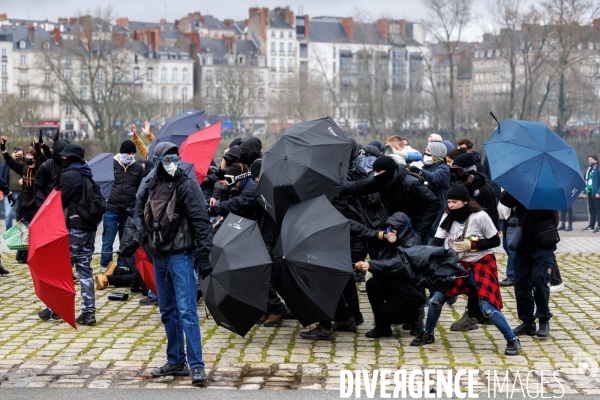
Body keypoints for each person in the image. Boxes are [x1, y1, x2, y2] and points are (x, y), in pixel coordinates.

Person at [120, 142, 213, 385]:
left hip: (181, 255)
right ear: (157, 160)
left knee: (187, 312)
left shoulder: (186, 185)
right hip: (158, 256)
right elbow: (142, 218)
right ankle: (175, 361)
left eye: (176, 158)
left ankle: (197, 366)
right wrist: (136, 241)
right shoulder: (149, 185)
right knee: (167, 311)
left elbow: (202, 223)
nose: (173, 163)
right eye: (168, 159)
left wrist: (204, 257)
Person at [412, 183, 521, 356]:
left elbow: (495, 241)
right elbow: (436, 241)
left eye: (454, 201)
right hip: (456, 265)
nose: (451, 205)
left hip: (481, 263)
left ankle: (512, 340)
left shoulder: (480, 216)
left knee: (488, 308)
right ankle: (428, 333)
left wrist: (473, 245)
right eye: (449, 201)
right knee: (435, 300)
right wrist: (425, 253)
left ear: (465, 202)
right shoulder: (447, 217)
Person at [38, 144, 99, 325]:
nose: (61, 159)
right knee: (84, 269)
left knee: (62, 269)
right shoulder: (87, 173)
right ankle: (88, 312)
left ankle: (56, 308)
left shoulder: (69, 176)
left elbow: (58, 201)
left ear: (71, 158)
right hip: (89, 229)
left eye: (64, 157)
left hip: (74, 229)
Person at [448, 152, 499, 331]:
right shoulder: (463, 188)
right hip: (465, 248)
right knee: (471, 283)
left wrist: (474, 243)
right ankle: (481, 313)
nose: (455, 175)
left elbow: (491, 230)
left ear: (468, 172)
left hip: (481, 248)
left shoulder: (483, 191)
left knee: (477, 283)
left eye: (459, 171)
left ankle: (473, 315)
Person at [354, 212, 425, 338]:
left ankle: (415, 316)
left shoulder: (413, 243)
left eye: (394, 228)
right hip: (393, 285)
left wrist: (370, 265)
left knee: (382, 314)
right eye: (389, 227)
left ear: (403, 229)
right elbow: (366, 233)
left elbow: (398, 264)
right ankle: (383, 328)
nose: (390, 231)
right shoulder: (388, 239)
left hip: (408, 291)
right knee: (372, 284)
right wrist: (348, 223)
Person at [500, 190, 557, 339]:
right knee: (521, 283)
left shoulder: (549, 188)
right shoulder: (522, 185)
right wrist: (513, 187)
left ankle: (544, 319)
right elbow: (505, 200)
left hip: (543, 241)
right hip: (523, 242)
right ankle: (527, 322)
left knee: (539, 280)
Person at [342, 156, 439, 243]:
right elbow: (361, 186)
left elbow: (433, 202)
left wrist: (420, 231)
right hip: (396, 224)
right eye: (375, 171)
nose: (376, 174)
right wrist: (338, 188)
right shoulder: (381, 180)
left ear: (389, 170)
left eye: (379, 172)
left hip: (415, 226)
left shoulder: (410, 183)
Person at [99, 140, 144, 274]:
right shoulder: (111, 165)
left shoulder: (137, 168)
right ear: (121, 152)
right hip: (111, 208)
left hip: (128, 209)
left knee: (125, 240)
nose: (130, 155)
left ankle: (122, 264)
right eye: (127, 153)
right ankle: (105, 264)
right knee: (108, 239)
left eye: (132, 153)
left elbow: (140, 187)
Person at [1, 136, 46, 263]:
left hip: (35, 203)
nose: (27, 158)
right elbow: (10, 162)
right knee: (22, 229)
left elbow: (44, 160)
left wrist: (38, 147)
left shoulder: (40, 169)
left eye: (30, 157)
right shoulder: (23, 168)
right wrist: (3, 148)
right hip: (23, 203)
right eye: (27, 156)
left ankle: (33, 254)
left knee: (33, 230)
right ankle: (21, 257)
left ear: (35, 159)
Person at [418, 141, 450, 241]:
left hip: (438, 210)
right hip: (425, 213)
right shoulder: (425, 168)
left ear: (436, 154)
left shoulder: (443, 168)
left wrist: (418, 171)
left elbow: (435, 178)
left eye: (428, 150)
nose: (425, 153)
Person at [34, 139, 69, 208]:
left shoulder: (69, 166)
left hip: (64, 206)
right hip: (48, 205)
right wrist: (45, 204)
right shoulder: (46, 166)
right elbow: (37, 187)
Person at [0, 146, 23, 231]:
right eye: (16, 155)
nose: (18, 157)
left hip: (22, 194)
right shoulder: (8, 165)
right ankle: (9, 233)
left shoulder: (25, 166)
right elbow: (1, 176)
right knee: (8, 214)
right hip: (9, 194)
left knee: (21, 216)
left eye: (20, 155)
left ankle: (21, 234)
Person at [583, 155, 599, 232]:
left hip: (596, 192)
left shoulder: (598, 169)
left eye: (592, 159)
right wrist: (584, 191)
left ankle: (599, 226)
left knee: (598, 210)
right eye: (589, 159)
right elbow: (585, 180)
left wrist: (598, 192)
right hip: (590, 192)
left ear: (596, 160)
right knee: (591, 209)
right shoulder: (588, 169)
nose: (590, 161)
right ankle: (591, 225)